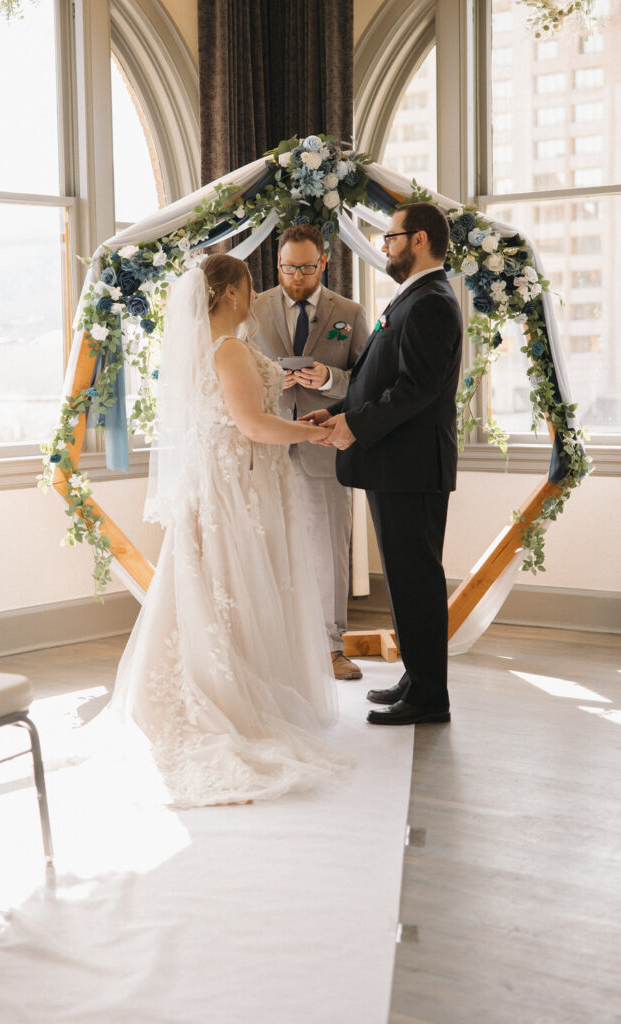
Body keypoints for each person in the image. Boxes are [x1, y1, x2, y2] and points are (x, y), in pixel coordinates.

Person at [107, 254, 346, 806]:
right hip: (237, 485)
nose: (255, 293)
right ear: (233, 295)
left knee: (215, 586)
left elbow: (241, 417)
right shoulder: (229, 347)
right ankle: (232, 694)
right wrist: (314, 435)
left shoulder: (200, 347)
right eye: (250, 285)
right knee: (234, 587)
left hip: (224, 477)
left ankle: (219, 681)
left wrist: (298, 425)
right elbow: (253, 425)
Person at [303, 202, 463, 726]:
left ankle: (429, 697)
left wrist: (355, 425)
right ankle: (417, 677)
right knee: (403, 577)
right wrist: (339, 410)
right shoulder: (413, 297)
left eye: (391, 236)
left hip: (410, 467)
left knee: (416, 577)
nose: (385, 244)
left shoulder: (432, 301)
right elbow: (382, 378)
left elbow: (416, 390)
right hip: (394, 463)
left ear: (418, 240)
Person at [253, 225, 370, 680]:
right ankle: (275, 648)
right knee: (265, 547)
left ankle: (330, 648)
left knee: (328, 551)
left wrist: (327, 380)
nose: (295, 276)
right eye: (287, 267)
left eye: (304, 267)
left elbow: (366, 380)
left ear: (323, 262)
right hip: (267, 446)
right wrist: (268, 382)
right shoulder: (254, 307)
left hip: (324, 446)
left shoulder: (351, 312)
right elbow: (231, 365)